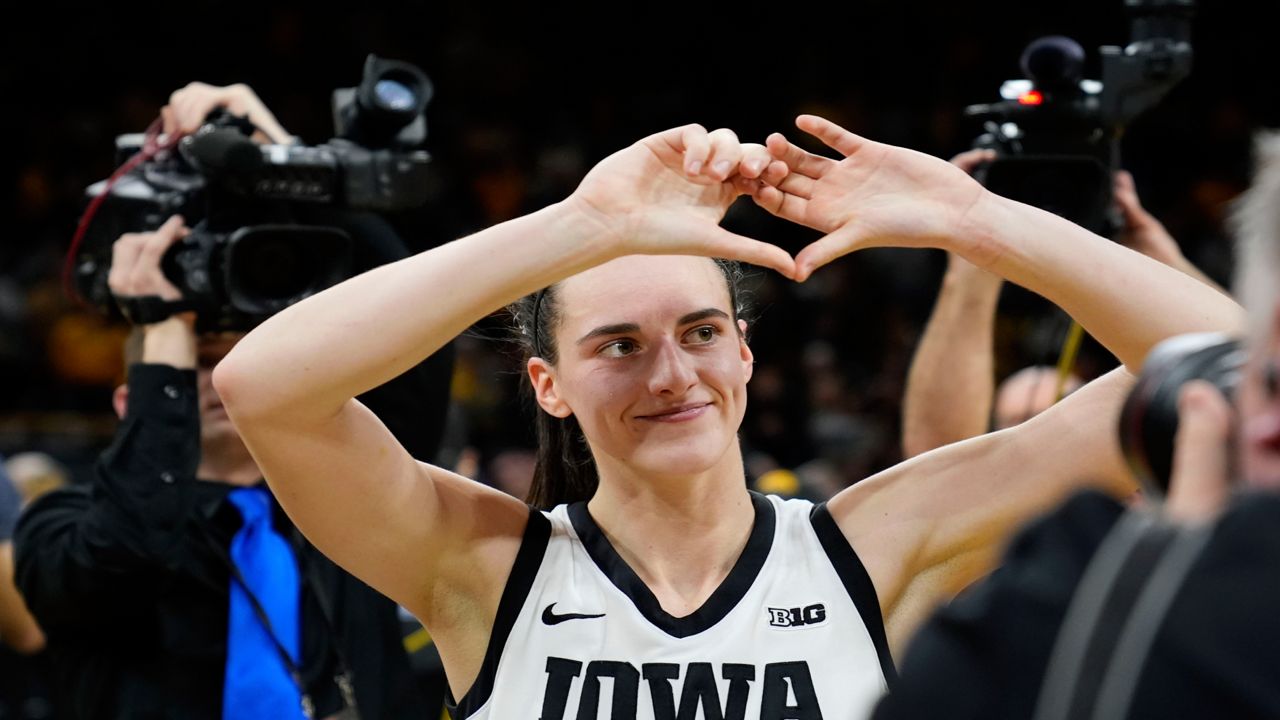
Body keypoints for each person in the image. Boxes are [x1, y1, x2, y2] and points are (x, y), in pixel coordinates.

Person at [211, 116, 1241, 719]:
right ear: (547, 385)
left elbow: (1229, 379)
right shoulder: (482, 565)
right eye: (617, 344)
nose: (671, 372)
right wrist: (578, 228)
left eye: (702, 330)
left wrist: (977, 226)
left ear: (744, 353)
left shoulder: (873, 546)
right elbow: (267, 386)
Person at [13, 84, 450, 719]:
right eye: (197, 364)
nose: (224, 379)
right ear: (130, 401)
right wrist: (161, 326)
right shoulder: (58, 523)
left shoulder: (350, 503)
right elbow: (128, 551)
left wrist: (286, 160)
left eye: (244, 362)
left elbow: (416, 319)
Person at [872, 133, 1280, 719]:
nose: (1044, 441)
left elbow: (1222, 369)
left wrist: (1162, 266)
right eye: (1016, 426)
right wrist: (973, 261)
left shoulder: (1077, 599)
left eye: (1063, 424)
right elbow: (940, 453)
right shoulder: (1022, 591)